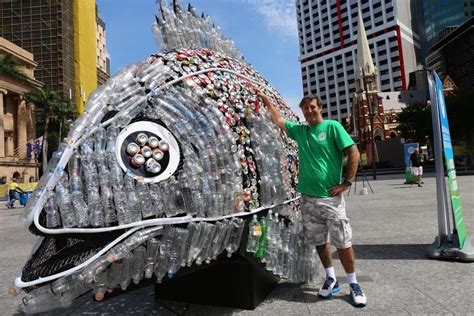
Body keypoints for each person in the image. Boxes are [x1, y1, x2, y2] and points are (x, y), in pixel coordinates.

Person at [256, 89, 367, 307]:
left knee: (343, 242)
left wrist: (347, 182)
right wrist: (266, 100)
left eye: (312, 107)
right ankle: (331, 278)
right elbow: (278, 120)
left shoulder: (332, 127)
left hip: (330, 199)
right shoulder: (301, 131)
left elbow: (353, 152)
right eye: (305, 108)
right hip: (307, 198)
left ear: (320, 108)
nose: (309, 111)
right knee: (319, 241)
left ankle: (353, 283)